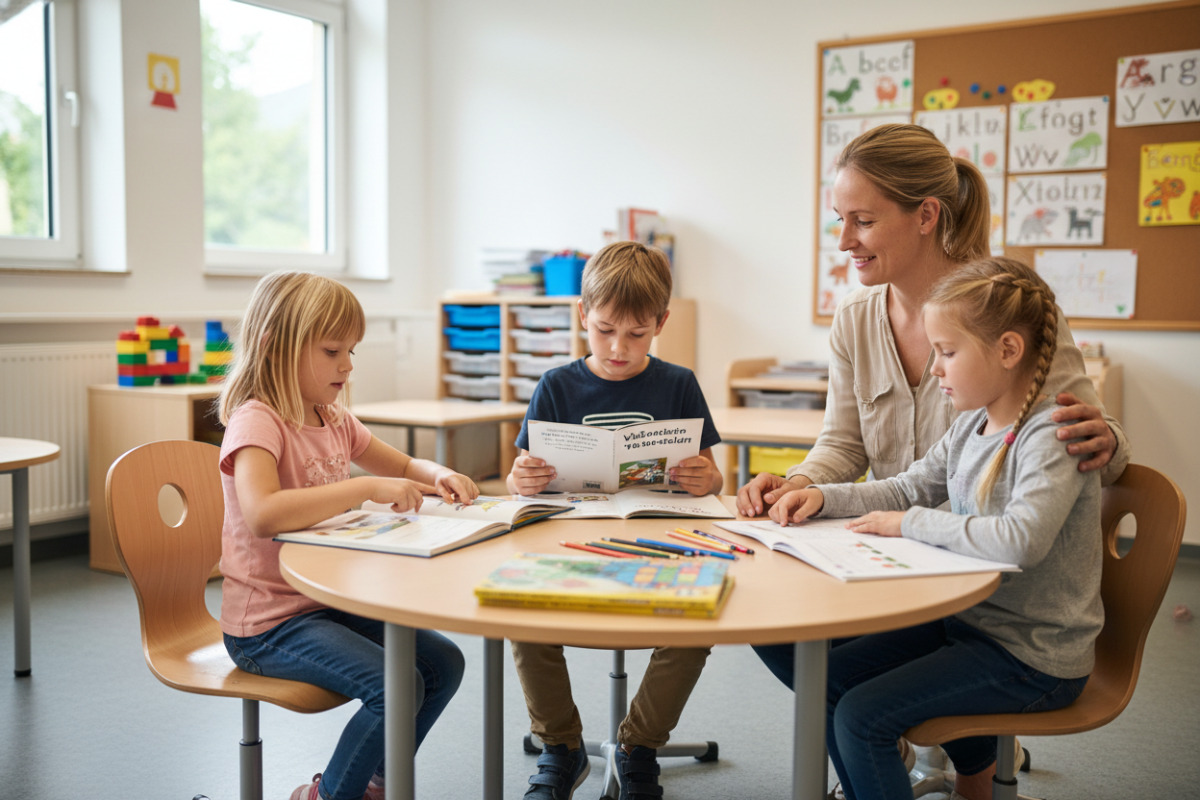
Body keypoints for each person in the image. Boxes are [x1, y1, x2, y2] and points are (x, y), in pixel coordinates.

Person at [739, 123, 1127, 794]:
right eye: (839, 219)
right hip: (902, 556)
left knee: (856, 707)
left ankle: (963, 761)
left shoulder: (1004, 313)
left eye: (863, 221)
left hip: (985, 590)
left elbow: (1077, 446)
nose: (843, 240)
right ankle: (882, 761)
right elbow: (851, 448)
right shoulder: (856, 319)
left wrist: (1110, 441)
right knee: (780, 632)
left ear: (926, 216)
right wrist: (803, 484)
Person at [776, 256, 1104, 800]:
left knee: (860, 717)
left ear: (1008, 350)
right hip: (969, 625)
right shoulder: (971, 424)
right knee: (827, 684)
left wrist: (911, 525)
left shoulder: (1050, 435)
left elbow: (1020, 539)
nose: (935, 370)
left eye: (947, 353)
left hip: (1033, 654)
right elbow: (906, 487)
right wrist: (820, 496)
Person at [216, 271, 479, 800]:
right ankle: (332, 795)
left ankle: (375, 785)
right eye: (332, 351)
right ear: (274, 346)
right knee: (396, 685)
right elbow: (263, 514)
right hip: (267, 624)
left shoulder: (332, 417)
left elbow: (401, 464)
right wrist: (362, 488)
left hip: (325, 602)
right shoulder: (257, 421)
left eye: (351, 351)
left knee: (443, 663)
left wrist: (438, 475)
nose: (348, 365)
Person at [506, 240, 723, 800]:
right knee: (521, 615)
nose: (618, 348)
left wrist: (706, 478)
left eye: (636, 334)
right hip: (570, 542)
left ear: (661, 324)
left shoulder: (679, 383)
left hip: (661, 541)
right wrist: (521, 479)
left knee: (698, 623)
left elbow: (712, 477)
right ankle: (561, 745)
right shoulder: (556, 386)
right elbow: (518, 477)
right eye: (604, 330)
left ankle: (639, 746)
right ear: (582, 315)